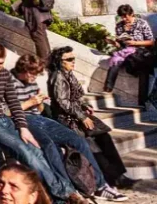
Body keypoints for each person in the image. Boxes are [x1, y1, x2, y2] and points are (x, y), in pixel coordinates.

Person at [0, 43, 87, 204]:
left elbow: (13, 103)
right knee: (21, 149)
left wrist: (23, 127)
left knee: (35, 149)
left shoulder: (4, 74)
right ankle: (65, 193)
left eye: (1, 63)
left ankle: (63, 197)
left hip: (4, 119)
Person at [12, 54, 127, 202]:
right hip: (24, 121)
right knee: (50, 146)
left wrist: (39, 102)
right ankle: (69, 189)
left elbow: (41, 108)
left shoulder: (32, 83)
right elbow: (5, 111)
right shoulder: (9, 82)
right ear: (24, 70)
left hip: (42, 119)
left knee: (78, 140)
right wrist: (28, 103)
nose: (35, 77)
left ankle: (100, 186)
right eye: (33, 74)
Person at [48, 47, 135, 191]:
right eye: (69, 59)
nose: (73, 61)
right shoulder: (58, 76)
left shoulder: (68, 74)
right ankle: (108, 179)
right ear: (59, 61)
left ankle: (120, 176)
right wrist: (82, 117)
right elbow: (63, 102)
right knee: (91, 145)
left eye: (73, 58)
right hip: (67, 120)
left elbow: (77, 97)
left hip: (76, 115)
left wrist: (85, 106)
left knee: (104, 137)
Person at [103, 4, 154, 92]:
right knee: (115, 61)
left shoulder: (141, 23)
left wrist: (135, 43)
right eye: (122, 17)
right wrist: (112, 42)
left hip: (139, 52)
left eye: (126, 17)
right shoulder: (119, 26)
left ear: (132, 14)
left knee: (139, 66)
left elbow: (151, 42)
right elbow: (120, 45)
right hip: (125, 52)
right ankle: (108, 88)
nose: (124, 19)